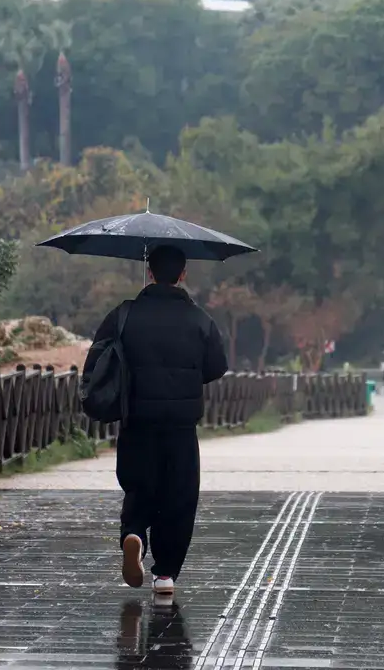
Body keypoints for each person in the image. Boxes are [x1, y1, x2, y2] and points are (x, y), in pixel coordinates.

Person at [84, 245, 228, 596]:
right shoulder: (199, 319)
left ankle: (133, 534)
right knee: (178, 496)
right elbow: (217, 366)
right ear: (183, 275)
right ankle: (165, 575)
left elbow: (98, 358)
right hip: (181, 423)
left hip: (137, 420)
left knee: (139, 486)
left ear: (149, 273)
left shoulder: (124, 314)